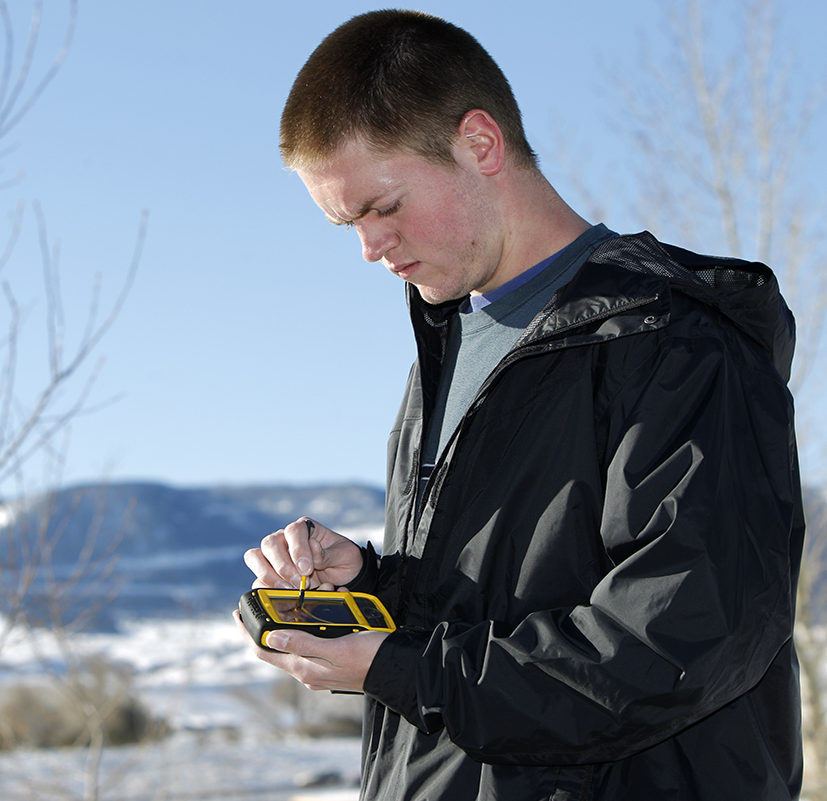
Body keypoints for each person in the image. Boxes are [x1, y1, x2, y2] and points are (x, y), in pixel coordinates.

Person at [236, 10, 804, 800]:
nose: (370, 248)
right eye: (346, 225)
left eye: (383, 206)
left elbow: (681, 637)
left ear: (480, 143)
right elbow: (500, 601)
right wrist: (374, 582)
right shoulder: (449, 349)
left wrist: (401, 667)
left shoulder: (677, 341)